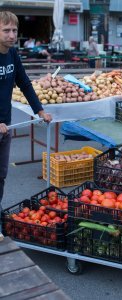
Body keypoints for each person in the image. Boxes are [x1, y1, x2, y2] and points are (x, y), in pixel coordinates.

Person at [0, 11, 52, 241]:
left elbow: (25, 83)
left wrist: (39, 110)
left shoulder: (13, 54)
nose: (12, 35)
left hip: (6, 126)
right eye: (6, 31)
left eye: (14, 31)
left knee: (1, 175)